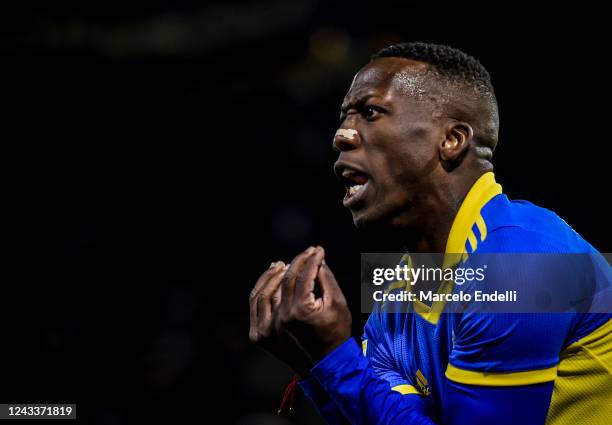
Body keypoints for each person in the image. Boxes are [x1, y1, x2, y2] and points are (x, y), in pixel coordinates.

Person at [248, 42, 611, 424]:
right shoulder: (396, 299)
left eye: (370, 113)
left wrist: (333, 357)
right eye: (344, 118)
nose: (341, 136)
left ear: (451, 140)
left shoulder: (524, 261)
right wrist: (315, 362)